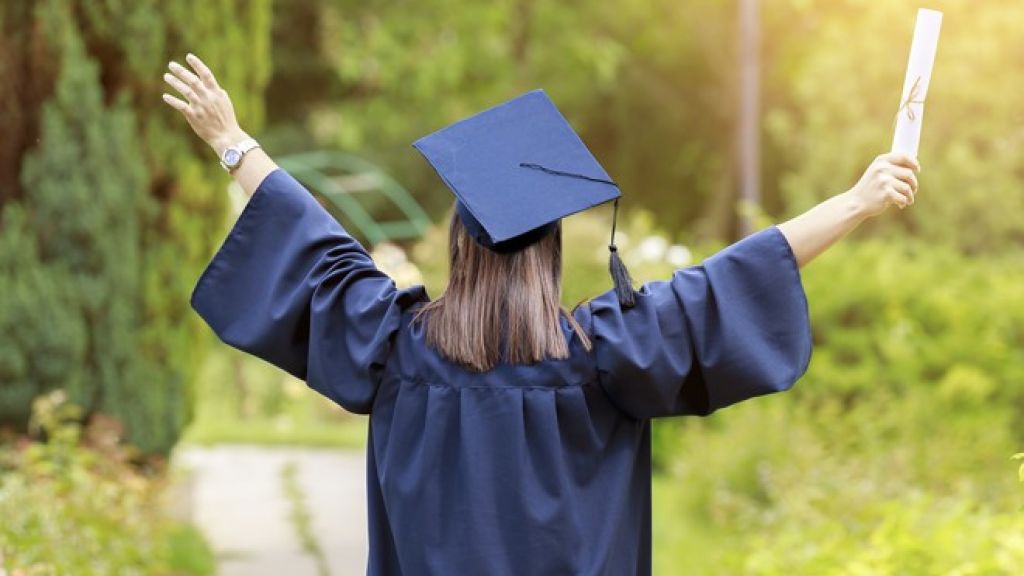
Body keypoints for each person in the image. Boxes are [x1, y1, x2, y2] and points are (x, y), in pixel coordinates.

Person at [163, 53, 920, 575]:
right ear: (550, 253)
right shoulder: (608, 352)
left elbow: (318, 251)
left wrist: (234, 143)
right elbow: (731, 280)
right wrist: (856, 202)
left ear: (460, 244)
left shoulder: (396, 345)